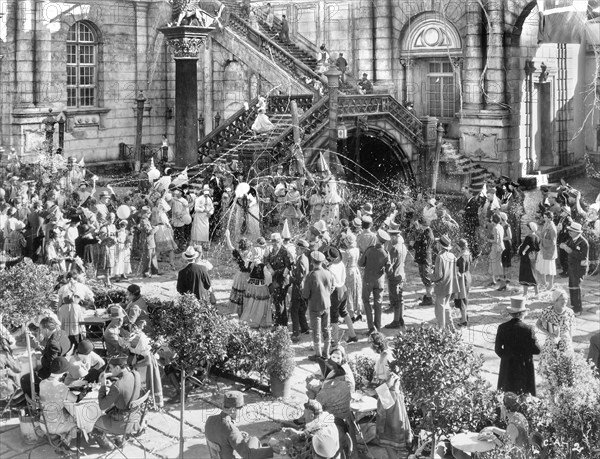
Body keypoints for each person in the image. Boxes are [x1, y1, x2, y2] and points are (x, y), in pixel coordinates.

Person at [91, 355, 142, 450]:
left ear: (118, 367)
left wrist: (103, 385)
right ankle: (120, 438)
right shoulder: (136, 374)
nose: (110, 371)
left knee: (93, 422)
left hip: (122, 423)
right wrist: (110, 375)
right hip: (135, 417)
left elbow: (102, 405)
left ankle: (108, 446)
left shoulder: (117, 386)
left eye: (110, 368)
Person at [205, 391, 274, 459]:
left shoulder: (210, 420)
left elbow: (221, 436)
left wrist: (238, 434)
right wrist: (273, 450)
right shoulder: (230, 430)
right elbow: (248, 455)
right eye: (240, 408)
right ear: (233, 410)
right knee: (254, 440)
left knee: (248, 440)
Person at [494, 297, 541, 395]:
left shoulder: (502, 327)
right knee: (524, 393)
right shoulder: (528, 329)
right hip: (524, 365)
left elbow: (498, 349)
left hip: (507, 364)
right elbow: (536, 350)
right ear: (522, 313)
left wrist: (507, 356)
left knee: (507, 391)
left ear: (511, 313)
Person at [21, 316, 72, 397]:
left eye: (41, 330)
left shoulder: (53, 343)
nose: (41, 332)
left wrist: (40, 358)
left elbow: (50, 364)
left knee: (25, 379)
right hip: (64, 362)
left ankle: (35, 399)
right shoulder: (62, 332)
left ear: (46, 329)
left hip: (55, 370)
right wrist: (43, 351)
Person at [39, 357, 78, 450]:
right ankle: (65, 442)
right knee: (77, 421)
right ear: (64, 372)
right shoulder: (61, 387)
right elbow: (75, 399)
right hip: (54, 426)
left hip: (43, 423)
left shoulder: (42, 383)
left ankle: (62, 436)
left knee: (64, 414)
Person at [303, 251, 335, 361]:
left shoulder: (311, 275)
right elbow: (332, 287)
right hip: (326, 305)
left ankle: (318, 354)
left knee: (316, 331)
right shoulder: (328, 273)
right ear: (322, 262)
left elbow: (305, 294)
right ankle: (326, 353)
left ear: (312, 262)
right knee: (326, 329)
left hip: (315, 306)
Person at [359, 229, 391, 334]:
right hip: (379, 281)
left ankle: (371, 327)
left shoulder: (369, 250)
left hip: (368, 279)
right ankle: (378, 326)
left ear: (377, 238)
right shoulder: (386, 253)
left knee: (366, 301)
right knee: (378, 303)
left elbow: (361, 263)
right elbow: (388, 269)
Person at [325, 246, 358, 346]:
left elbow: (331, 284)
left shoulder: (330, 269)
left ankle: (335, 341)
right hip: (344, 288)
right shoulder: (341, 264)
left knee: (334, 317)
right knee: (344, 311)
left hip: (336, 292)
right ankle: (353, 335)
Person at [376, 373, 413, 459]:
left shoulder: (392, 376)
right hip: (392, 401)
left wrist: (384, 385)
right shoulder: (392, 375)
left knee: (391, 436)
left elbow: (383, 390)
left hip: (392, 403)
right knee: (391, 440)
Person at [240, 243, 273, 328]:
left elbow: (247, 274)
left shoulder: (251, 264)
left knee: (251, 304)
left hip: (252, 287)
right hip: (261, 287)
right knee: (260, 305)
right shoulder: (263, 266)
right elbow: (268, 277)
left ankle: (250, 320)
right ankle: (259, 321)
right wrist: (269, 284)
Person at [560, 221, 589, 316]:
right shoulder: (571, 240)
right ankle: (573, 306)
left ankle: (578, 309)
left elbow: (583, 257)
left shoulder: (583, 242)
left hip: (579, 269)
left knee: (577, 288)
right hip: (572, 268)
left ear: (577, 232)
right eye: (569, 230)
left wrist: (569, 250)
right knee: (571, 287)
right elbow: (565, 245)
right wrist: (563, 246)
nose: (569, 232)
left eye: (571, 231)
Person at [536, 288, 575, 356]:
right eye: (562, 299)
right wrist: (548, 333)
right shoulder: (547, 311)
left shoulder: (570, 312)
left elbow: (571, 328)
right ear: (555, 300)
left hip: (565, 342)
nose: (565, 301)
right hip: (551, 342)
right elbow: (538, 324)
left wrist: (571, 341)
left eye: (566, 299)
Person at [432, 235, 459, 330]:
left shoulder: (440, 256)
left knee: (440, 309)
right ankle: (451, 326)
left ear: (440, 245)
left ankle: (442, 329)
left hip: (441, 286)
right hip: (450, 285)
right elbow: (455, 272)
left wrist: (430, 276)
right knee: (447, 306)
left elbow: (438, 275)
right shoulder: (452, 256)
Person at [265, 232, 293, 326]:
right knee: (276, 301)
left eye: (276, 241)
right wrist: (271, 270)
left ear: (280, 241)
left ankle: (283, 323)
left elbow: (288, 266)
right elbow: (266, 261)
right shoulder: (271, 250)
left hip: (282, 280)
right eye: (272, 241)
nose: (274, 243)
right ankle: (277, 322)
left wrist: (277, 273)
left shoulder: (284, 251)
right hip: (274, 278)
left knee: (282, 302)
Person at [384, 222, 407, 329]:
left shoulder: (394, 249)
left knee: (396, 299)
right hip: (401, 273)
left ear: (393, 236)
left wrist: (385, 270)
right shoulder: (402, 245)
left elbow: (390, 266)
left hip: (394, 275)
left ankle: (396, 321)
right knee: (400, 298)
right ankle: (401, 319)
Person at [225, 230, 252, 316]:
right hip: (248, 276)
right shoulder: (251, 254)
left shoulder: (237, 253)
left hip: (240, 275)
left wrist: (227, 236)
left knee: (239, 293)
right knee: (247, 293)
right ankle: (247, 311)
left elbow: (230, 246)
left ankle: (239, 312)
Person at [290, 239, 311, 342]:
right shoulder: (305, 258)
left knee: (294, 310)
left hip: (298, 289)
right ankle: (305, 328)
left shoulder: (301, 261)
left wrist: (289, 278)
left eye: (296, 248)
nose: (295, 249)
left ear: (301, 249)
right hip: (304, 288)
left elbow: (298, 279)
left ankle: (296, 333)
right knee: (301, 310)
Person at [340, 232, 363, 323]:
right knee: (357, 291)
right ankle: (359, 312)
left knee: (349, 292)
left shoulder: (347, 252)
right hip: (356, 270)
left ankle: (351, 314)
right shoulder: (357, 250)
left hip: (349, 271)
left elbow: (344, 264)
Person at [412, 219, 435, 306]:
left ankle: (429, 297)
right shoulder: (425, 232)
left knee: (426, 277)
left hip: (424, 258)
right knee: (424, 276)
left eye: (419, 224)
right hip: (423, 257)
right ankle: (428, 295)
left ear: (422, 225)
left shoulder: (427, 233)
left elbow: (421, 245)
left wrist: (416, 242)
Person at [518, 221, 540, 297]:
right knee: (533, 274)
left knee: (525, 275)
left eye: (527, 228)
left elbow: (523, 248)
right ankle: (537, 293)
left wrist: (520, 251)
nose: (526, 229)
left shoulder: (528, 237)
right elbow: (538, 248)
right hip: (533, 258)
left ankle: (525, 294)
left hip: (526, 258)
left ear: (530, 229)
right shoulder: (537, 237)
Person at [537, 211, 558, 289]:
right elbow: (543, 235)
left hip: (549, 250)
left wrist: (542, 240)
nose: (544, 218)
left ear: (550, 218)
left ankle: (550, 285)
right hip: (543, 249)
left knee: (550, 268)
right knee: (542, 266)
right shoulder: (546, 224)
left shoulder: (552, 228)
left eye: (545, 217)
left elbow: (553, 242)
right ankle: (543, 283)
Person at [454, 239, 472, 327]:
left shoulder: (461, 257)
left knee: (462, 299)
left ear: (460, 247)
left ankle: (464, 320)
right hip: (468, 276)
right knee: (465, 298)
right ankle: (465, 316)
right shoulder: (468, 254)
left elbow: (460, 271)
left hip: (462, 279)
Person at [191, 185, 214, 250]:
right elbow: (196, 208)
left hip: (206, 217)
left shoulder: (209, 199)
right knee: (198, 231)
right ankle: (197, 244)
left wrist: (210, 213)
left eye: (207, 194)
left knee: (205, 230)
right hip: (199, 216)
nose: (206, 195)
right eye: (205, 194)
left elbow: (212, 208)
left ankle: (205, 244)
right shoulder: (198, 199)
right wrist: (203, 210)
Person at [139, 206, 160, 278]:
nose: (149, 214)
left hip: (151, 241)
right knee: (148, 258)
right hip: (147, 241)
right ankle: (146, 272)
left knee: (153, 257)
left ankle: (155, 271)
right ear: (144, 214)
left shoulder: (147, 220)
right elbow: (148, 231)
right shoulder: (144, 221)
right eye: (148, 213)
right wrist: (156, 229)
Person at [487, 213, 505, 286]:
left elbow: (495, 241)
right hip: (500, 247)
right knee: (494, 263)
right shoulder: (500, 226)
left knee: (496, 264)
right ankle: (492, 280)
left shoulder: (495, 228)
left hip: (496, 247)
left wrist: (488, 240)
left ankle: (502, 284)